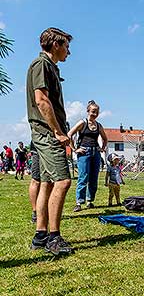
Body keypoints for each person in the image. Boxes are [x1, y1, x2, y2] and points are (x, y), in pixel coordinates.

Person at [27, 27, 74, 255]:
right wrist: (57, 132)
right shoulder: (41, 65)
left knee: (46, 183)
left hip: (46, 131)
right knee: (63, 181)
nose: (69, 51)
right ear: (55, 44)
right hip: (46, 132)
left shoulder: (51, 67)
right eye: (66, 45)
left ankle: (40, 235)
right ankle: (54, 238)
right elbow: (42, 100)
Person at [68, 100, 107, 212]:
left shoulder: (99, 125)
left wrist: (102, 148)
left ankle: (90, 201)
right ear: (88, 111)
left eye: (97, 112)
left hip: (96, 153)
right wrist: (75, 149)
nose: (95, 114)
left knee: (93, 178)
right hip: (84, 152)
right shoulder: (82, 123)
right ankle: (79, 202)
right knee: (83, 177)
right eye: (93, 111)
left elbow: (105, 138)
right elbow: (69, 134)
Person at [29, 142, 41, 223]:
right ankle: (35, 212)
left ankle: (46, 210)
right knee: (36, 180)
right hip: (38, 148)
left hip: (53, 147)